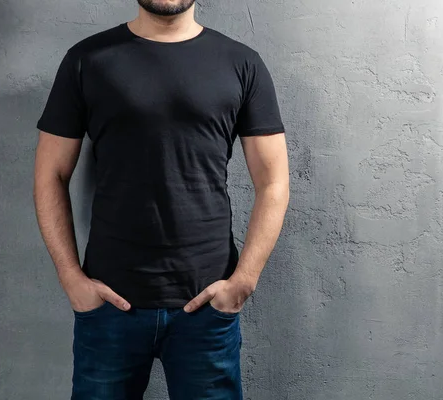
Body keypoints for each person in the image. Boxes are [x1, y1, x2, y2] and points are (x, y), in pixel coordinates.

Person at [32, 0, 289, 399]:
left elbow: (273, 181)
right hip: (108, 305)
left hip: (206, 306)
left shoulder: (242, 63)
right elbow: (51, 173)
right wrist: (71, 277)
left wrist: (243, 282)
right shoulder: (87, 60)